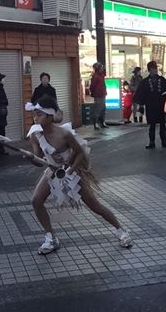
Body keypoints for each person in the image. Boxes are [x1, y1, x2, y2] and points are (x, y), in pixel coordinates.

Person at [25, 95, 132, 254]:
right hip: (53, 171)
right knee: (36, 200)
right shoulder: (35, 135)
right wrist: (31, 158)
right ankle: (51, 238)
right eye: (35, 114)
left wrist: (70, 170)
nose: (36, 117)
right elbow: (39, 160)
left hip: (71, 171)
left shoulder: (64, 134)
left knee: (93, 204)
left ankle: (121, 230)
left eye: (39, 114)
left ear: (50, 116)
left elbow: (80, 152)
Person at [133, 61, 166, 149]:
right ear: (149, 70)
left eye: (155, 68)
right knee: (152, 125)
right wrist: (141, 106)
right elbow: (141, 93)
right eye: (153, 68)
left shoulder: (162, 79)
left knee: (163, 124)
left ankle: (164, 142)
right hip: (150, 105)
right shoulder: (145, 81)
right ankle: (152, 142)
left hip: (161, 105)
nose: (155, 70)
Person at [89, 62, 107, 129]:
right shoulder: (95, 76)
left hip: (102, 93)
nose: (102, 68)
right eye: (101, 67)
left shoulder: (101, 75)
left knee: (103, 108)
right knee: (98, 109)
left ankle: (102, 122)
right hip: (98, 94)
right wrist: (93, 93)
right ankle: (96, 123)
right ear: (98, 68)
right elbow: (92, 86)